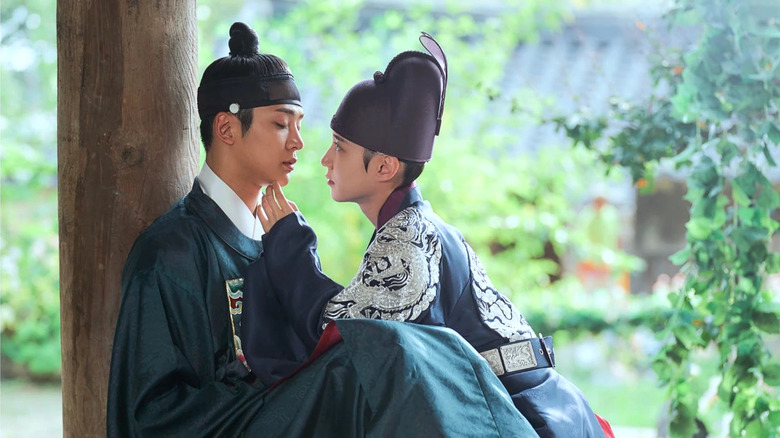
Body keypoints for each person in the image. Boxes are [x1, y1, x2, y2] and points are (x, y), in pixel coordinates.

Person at [106, 22, 538, 437]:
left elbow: (340, 335)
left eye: (299, 124)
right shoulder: (169, 252)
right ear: (226, 128)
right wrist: (288, 393)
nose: (299, 142)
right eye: (280, 124)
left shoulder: (281, 239)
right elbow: (150, 416)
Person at [243, 32, 612, 437]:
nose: (325, 159)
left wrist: (290, 246)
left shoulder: (409, 242)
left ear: (384, 168)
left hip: (525, 420)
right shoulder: (412, 226)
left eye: (340, 147)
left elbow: (339, 337)